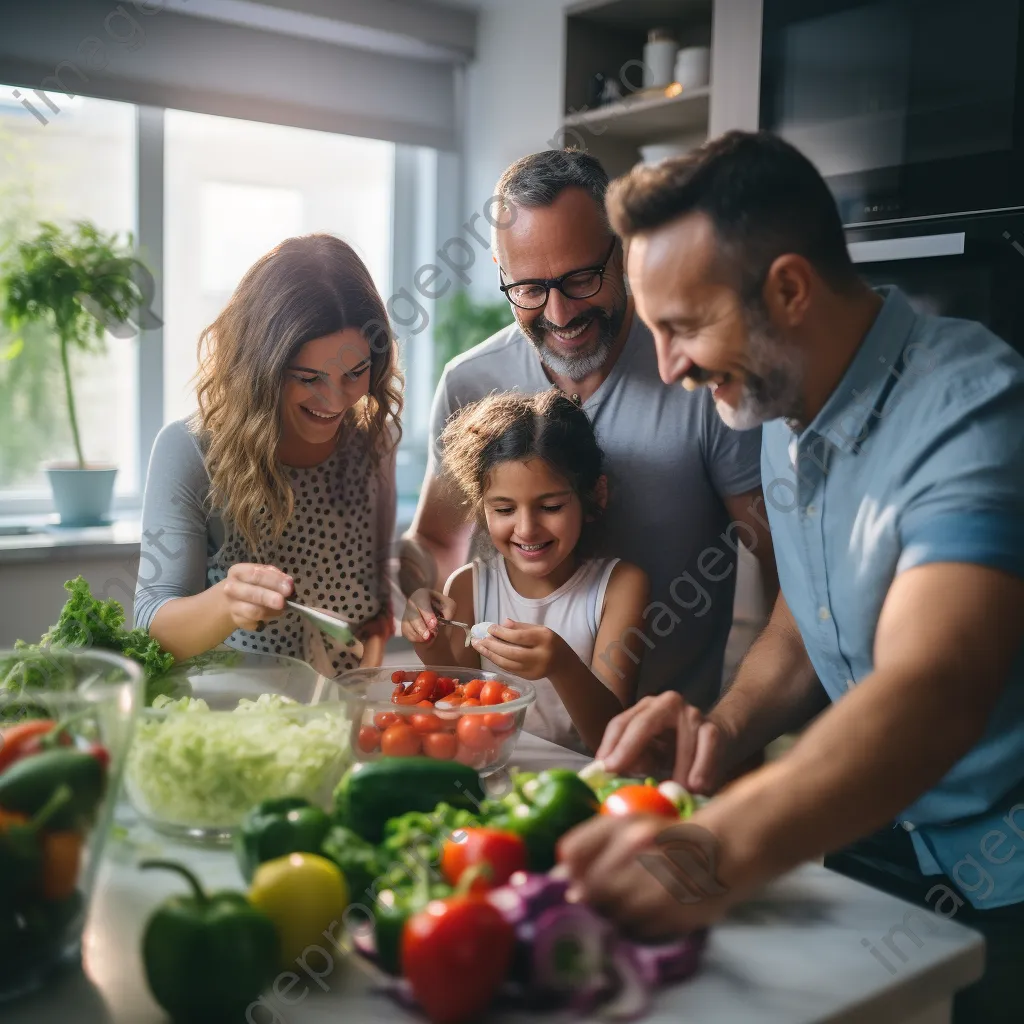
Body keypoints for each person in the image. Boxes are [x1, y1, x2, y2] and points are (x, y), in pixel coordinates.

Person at [557, 131, 1024, 1024]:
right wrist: (718, 733)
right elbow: (809, 621)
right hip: (862, 841)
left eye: (685, 327)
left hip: (999, 883)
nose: (670, 368)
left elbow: (936, 687)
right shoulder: (785, 396)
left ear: (789, 289)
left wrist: (721, 847)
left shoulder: (975, 413)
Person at [402, 148, 777, 712]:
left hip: (674, 744)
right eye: (528, 289)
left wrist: (744, 721)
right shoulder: (469, 382)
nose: (558, 314)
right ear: (503, 278)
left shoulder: (700, 373)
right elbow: (432, 540)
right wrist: (409, 589)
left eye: (581, 278)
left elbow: (777, 558)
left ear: (622, 250)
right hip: (516, 743)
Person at [134, 234, 403, 676]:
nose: (335, 400)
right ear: (260, 370)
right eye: (308, 378)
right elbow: (148, 625)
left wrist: (402, 599)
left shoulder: (376, 439)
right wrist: (226, 604)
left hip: (351, 706)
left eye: (354, 373)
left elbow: (377, 579)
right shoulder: (191, 450)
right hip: (236, 712)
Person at [402, 389, 649, 754]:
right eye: (504, 510)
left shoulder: (620, 588)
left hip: (577, 786)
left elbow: (609, 741)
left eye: (550, 506)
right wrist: (430, 642)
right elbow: (456, 704)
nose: (527, 529)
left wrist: (563, 666)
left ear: (594, 496)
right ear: (481, 507)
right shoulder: (470, 584)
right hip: (493, 770)